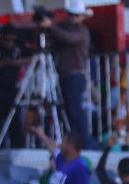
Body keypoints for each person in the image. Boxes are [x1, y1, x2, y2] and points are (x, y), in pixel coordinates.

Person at [38, 0, 94, 147]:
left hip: (74, 76)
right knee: (70, 111)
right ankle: (76, 142)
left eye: (75, 15)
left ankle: (85, 144)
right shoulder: (65, 30)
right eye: (70, 15)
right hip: (65, 76)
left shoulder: (82, 31)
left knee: (75, 111)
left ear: (82, 16)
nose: (72, 18)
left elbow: (69, 38)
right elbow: (59, 40)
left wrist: (51, 26)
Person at [0, 24, 29, 142]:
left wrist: (14, 62)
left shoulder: (19, 47)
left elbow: (32, 58)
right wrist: (2, 63)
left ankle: (18, 147)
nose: (10, 42)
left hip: (12, 89)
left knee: (14, 121)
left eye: (12, 39)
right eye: (7, 39)